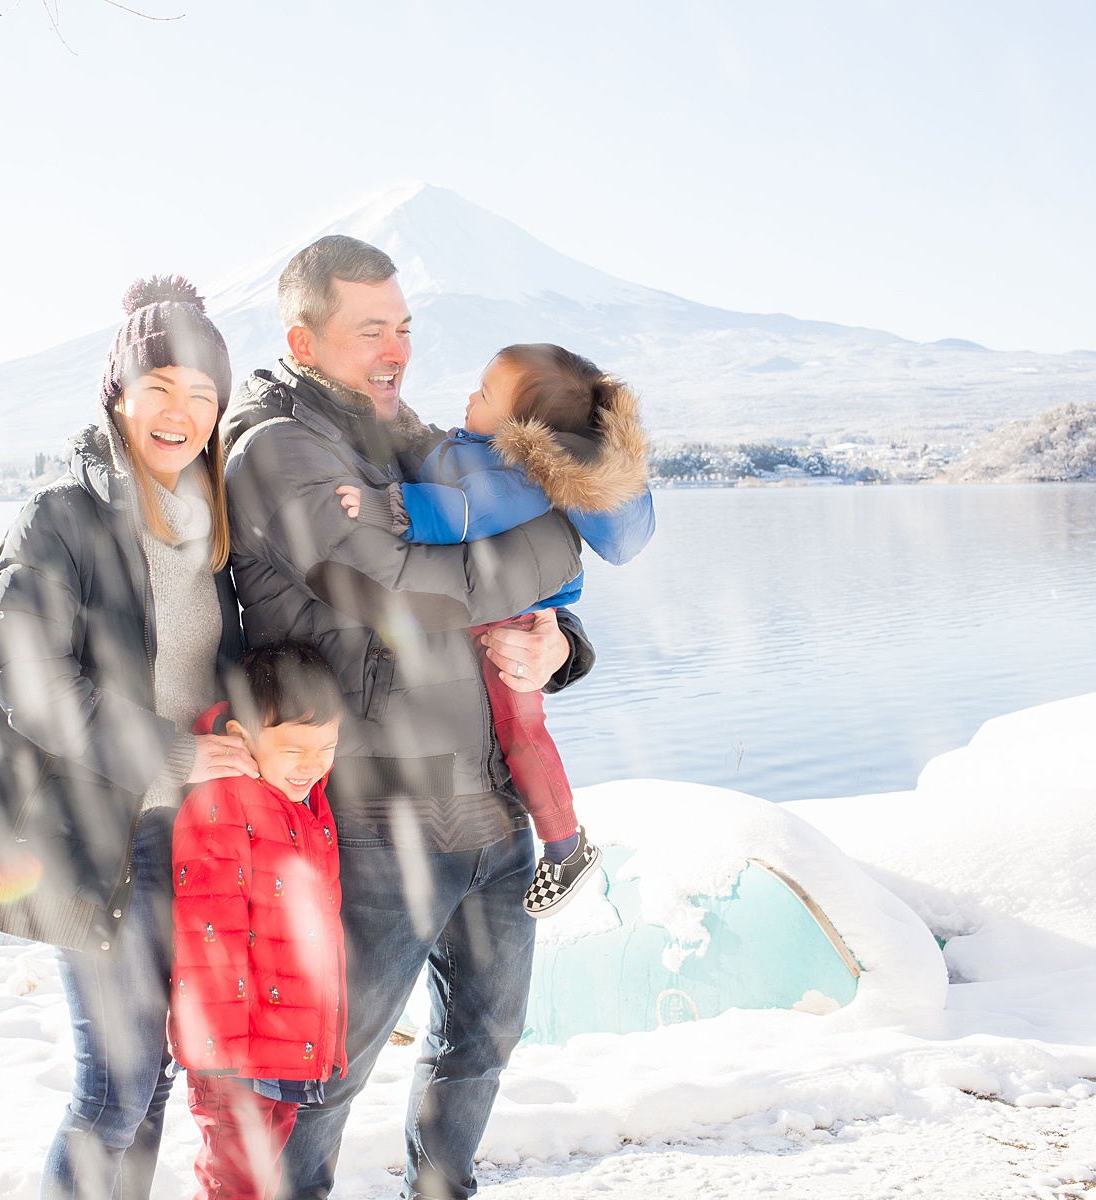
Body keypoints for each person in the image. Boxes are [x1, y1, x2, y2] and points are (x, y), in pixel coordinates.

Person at [220, 235, 593, 1200]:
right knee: (326, 1067)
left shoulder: (406, 432)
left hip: (490, 805)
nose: (397, 351)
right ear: (303, 341)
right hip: (374, 815)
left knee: (483, 1040)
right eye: (370, 330)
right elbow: (397, 591)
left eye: (404, 327)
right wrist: (559, 546)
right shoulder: (276, 449)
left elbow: (500, 561)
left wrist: (560, 643)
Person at [0, 276, 258, 1200]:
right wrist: (170, 755)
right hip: (87, 831)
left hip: (184, 833)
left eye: (202, 394)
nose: (181, 412)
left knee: (153, 1075)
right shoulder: (61, 516)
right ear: (117, 395)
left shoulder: (209, 522)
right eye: (159, 387)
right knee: (114, 1087)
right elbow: (29, 679)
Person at [334, 342, 656, 916]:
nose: (469, 397)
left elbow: (464, 512)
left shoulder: (516, 475)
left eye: (484, 395)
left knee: (522, 733)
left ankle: (565, 845)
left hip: (514, 619)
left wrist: (391, 507)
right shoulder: (483, 450)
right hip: (499, 621)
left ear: (521, 429)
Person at [170, 641, 347, 1200]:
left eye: (328, 748)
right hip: (234, 1053)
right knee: (234, 1184)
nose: (313, 764)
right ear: (239, 738)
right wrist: (221, 1055)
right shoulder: (224, 804)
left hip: (282, 1043)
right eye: (295, 749)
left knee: (258, 1181)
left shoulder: (305, 804)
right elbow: (209, 935)